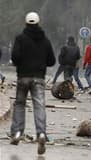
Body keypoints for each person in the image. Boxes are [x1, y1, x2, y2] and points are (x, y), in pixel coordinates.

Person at [10, 12, 56, 155]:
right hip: (39, 78)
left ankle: (17, 132)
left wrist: (21, 63)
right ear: (38, 22)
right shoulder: (45, 40)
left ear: (26, 23)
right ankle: (41, 134)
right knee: (39, 106)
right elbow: (52, 61)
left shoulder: (20, 38)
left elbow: (15, 57)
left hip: (23, 76)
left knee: (19, 104)